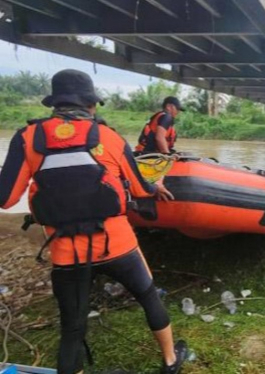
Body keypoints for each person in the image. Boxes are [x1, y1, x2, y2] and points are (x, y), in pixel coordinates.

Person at [0, 69, 188, 374]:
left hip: (66, 251)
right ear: (91, 105)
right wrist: (156, 186)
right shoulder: (109, 137)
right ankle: (170, 360)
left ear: (54, 103)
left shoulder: (26, 138)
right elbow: (140, 189)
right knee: (148, 295)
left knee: (72, 328)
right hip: (117, 245)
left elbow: (6, 199)